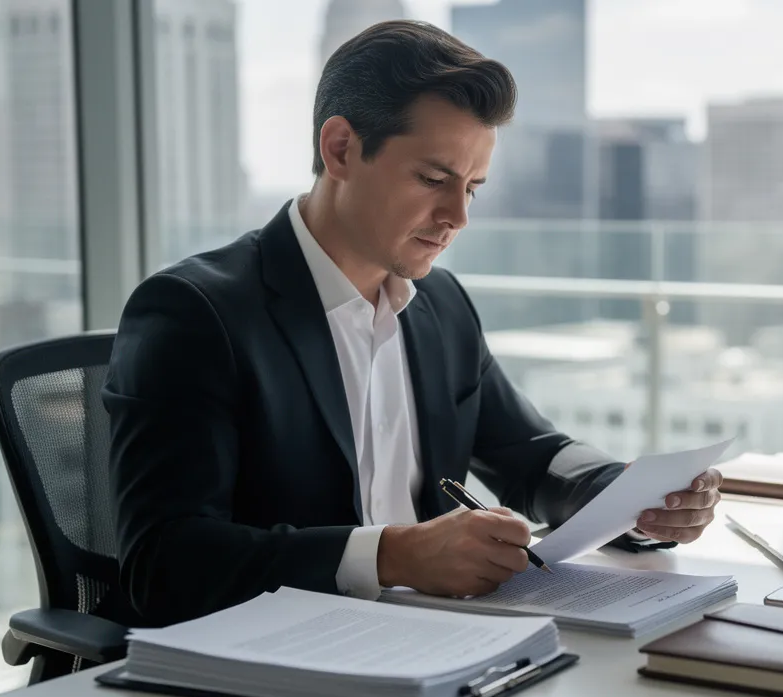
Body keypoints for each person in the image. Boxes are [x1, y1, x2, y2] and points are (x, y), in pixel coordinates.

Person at [103, 20, 724, 627]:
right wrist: (392, 554)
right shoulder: (194, 314)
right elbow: (164, 565)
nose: (457, 216)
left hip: (431, 641)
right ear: (341, 149)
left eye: (473, 189)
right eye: (433, 179)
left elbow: (532, 455)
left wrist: (630, 497)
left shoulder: (440, 304)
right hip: (274, 667)